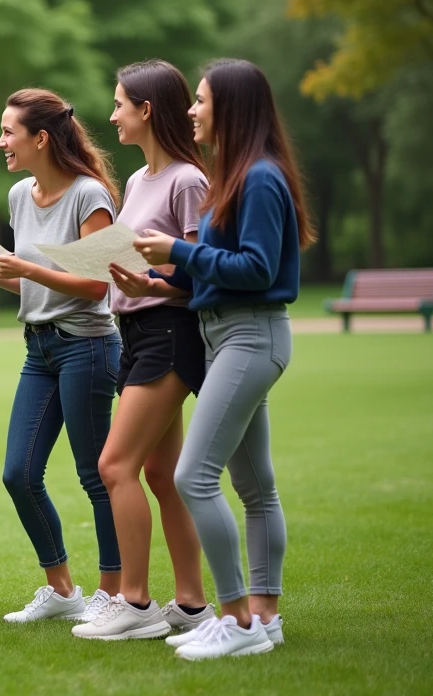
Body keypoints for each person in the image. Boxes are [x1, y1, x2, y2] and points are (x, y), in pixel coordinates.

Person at [129, 58, 314, 660]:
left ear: (230, 109)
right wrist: (168, 280)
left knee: (191, 476)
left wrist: (179, 248)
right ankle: (264, 616)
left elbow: (259, 270)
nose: (191, 110)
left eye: (202, 100)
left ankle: (234, 621)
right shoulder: (233, 176)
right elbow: (222, 270)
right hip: (223, 334)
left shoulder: (259, 178)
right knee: (254, 485)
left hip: (249, 337)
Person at [0, 88, 122, 626]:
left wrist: (25, 269)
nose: (1, 141)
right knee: (19, 473)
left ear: (41, 138)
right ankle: (62, 590)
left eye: (9, 132)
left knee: (97, 474)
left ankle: (113, 594)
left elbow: (96, 286)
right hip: (40, 348)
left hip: (89, 346)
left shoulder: (89, 196)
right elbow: (39, 287)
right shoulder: (16, 197)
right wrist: (0, 274)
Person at [71, 60, 214, 641]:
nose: (111, 115)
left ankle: (134, 602)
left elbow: (203, 274)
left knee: (114, 465)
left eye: (120, 104)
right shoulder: (135, 182)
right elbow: (137, 262)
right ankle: (192, 605)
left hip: (169, 333)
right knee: (160, 473)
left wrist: (149, 283)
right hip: (134, 332)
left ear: (146, 110)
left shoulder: (188, 179)